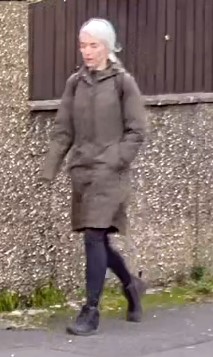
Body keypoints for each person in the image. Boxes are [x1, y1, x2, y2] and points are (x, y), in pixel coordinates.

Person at [42, 18, 147, 336]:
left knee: (93, 236)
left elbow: (137, 130)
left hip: (109, 174)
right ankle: (132, 285)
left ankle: (91, 310)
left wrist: (116, 159)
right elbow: (63, 131)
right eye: (83, 45)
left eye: (93, 45)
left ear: (107, 46)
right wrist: (50, 168)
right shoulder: (75, 83)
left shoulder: (123, 83)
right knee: (98, 238)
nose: (87, 51)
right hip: (82, 172)